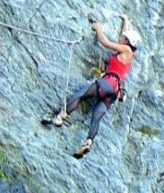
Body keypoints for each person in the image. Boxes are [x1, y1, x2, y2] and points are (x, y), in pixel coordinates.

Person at [43, 13, 141, 158]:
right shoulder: (127, 53)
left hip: (108, 82)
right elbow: (123, 36)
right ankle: (88, 142)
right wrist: (125, 20)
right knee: (96, 116)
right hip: (114, 91)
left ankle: (60, 117)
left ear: (127, 42)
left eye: (123, 38)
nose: (120, 37)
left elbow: (106, 42)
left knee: (80, 94)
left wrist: (98, 28)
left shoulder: (125, 50)